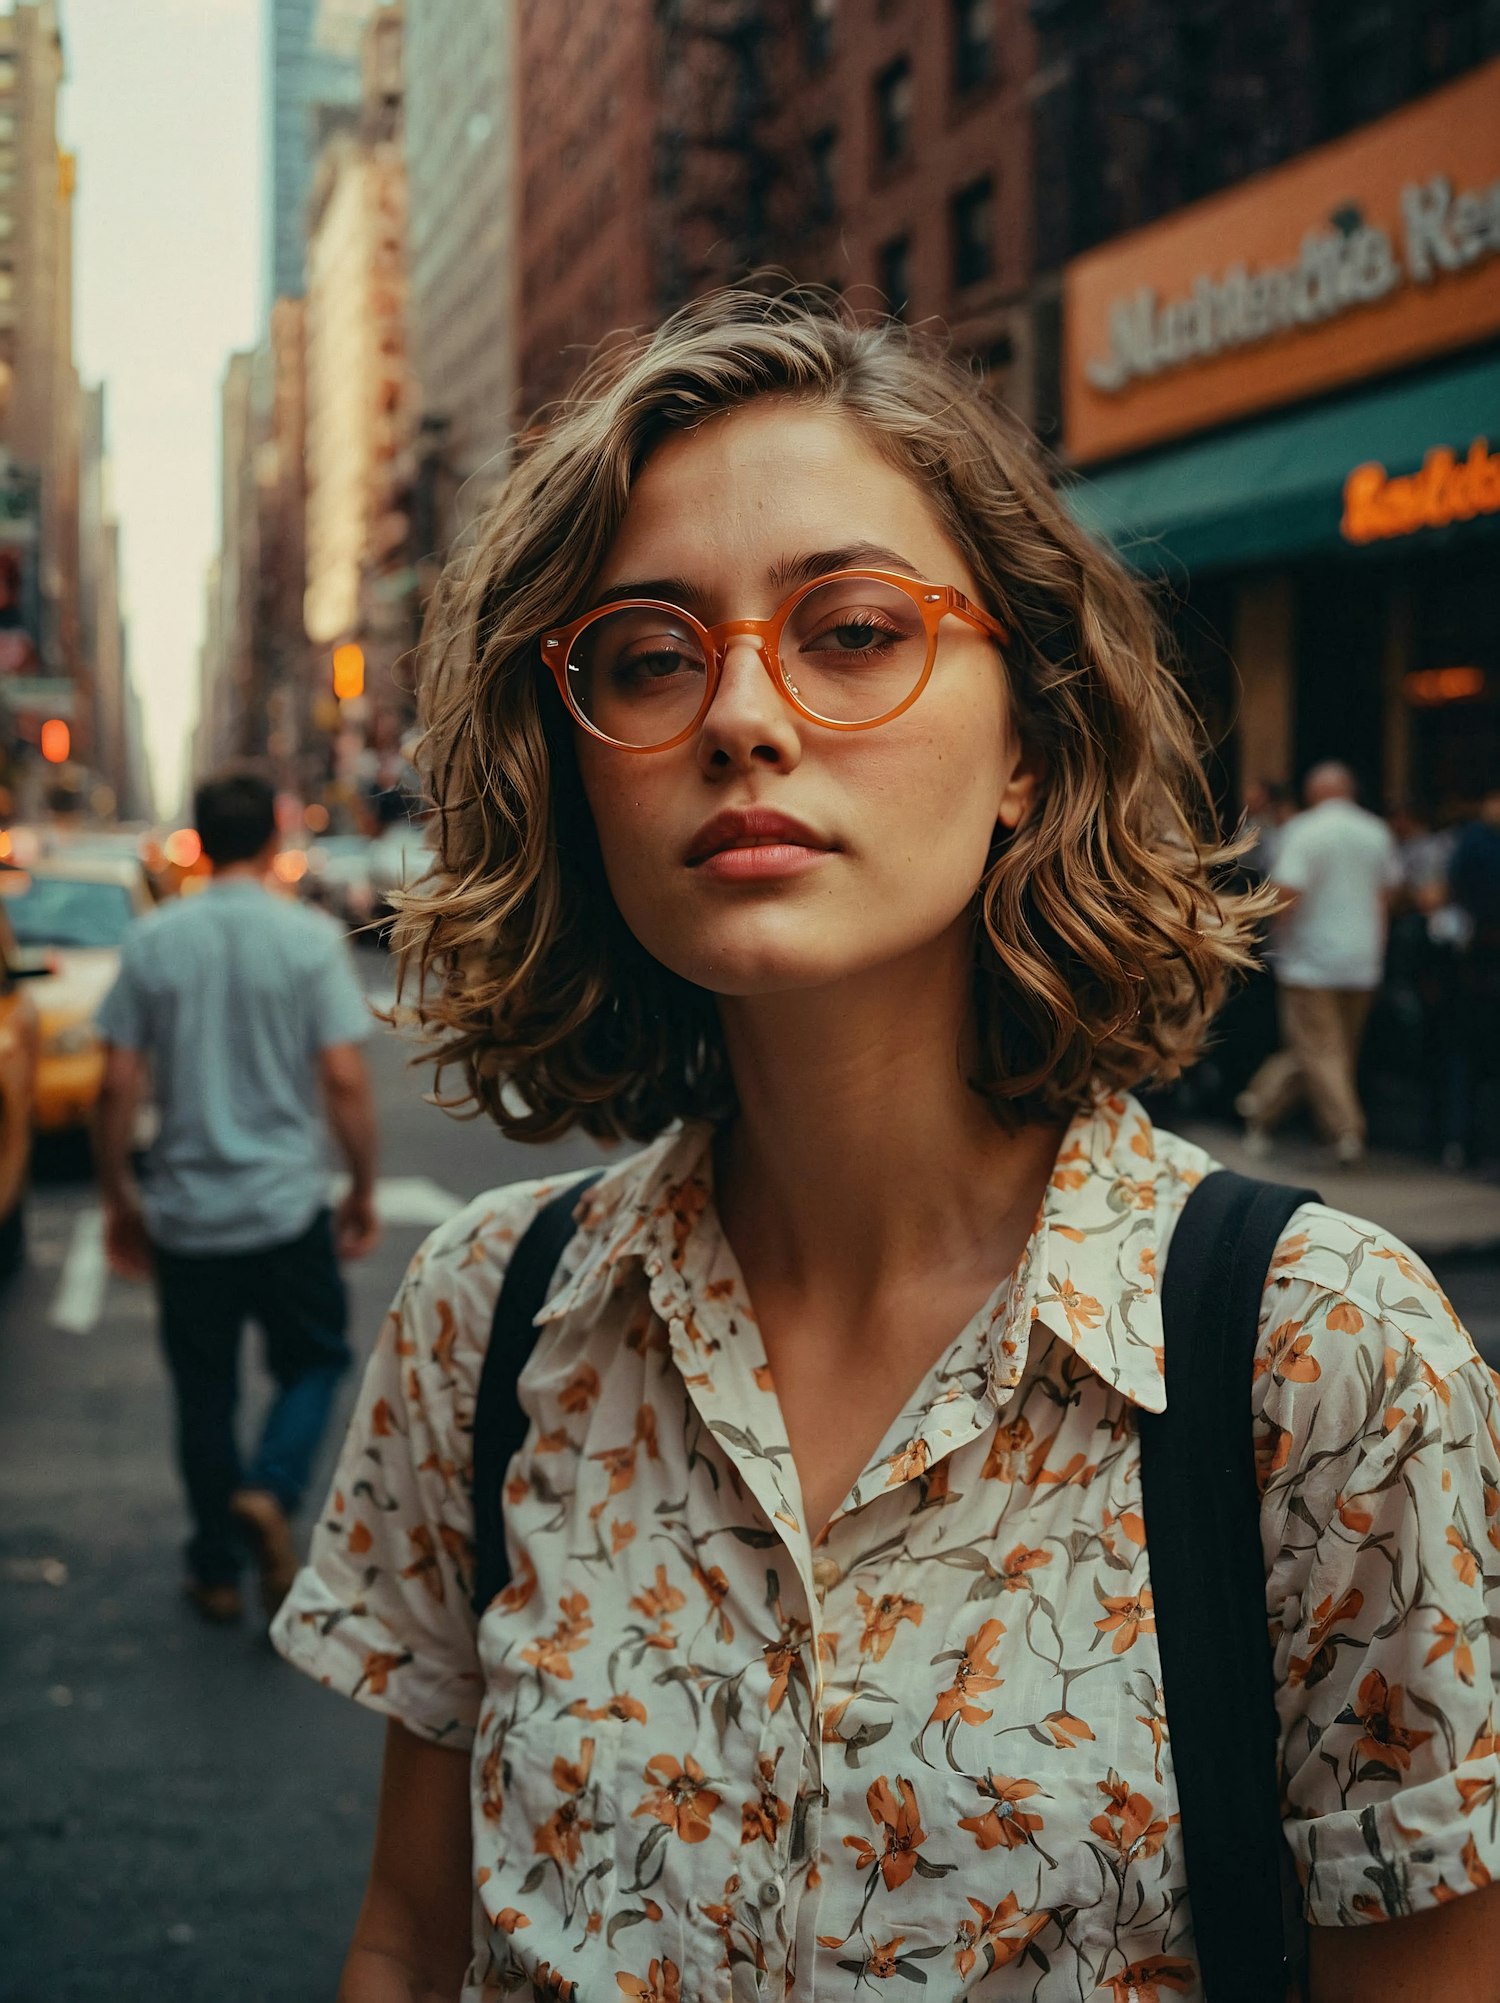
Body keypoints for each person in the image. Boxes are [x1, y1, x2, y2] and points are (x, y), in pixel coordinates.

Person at [271, 294, 1499, 2001]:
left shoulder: (1323, 1356)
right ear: (581, 773)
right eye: (647, 652)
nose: (743, 716)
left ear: (1031, 742)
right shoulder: (491, 1316)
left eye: (851, 629)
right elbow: (408, 1936)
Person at [93, 772, 381, 1625]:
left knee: (204, 1391)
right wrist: (361, 1186)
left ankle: (216, 1569)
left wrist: (118, 1197)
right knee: (318, 1358)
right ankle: (272, 1486)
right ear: (272, 838)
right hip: (287, 1205)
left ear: (203, 839)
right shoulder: (307, 938)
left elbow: (115, 1085)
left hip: (186, 1212)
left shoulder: (154, 940)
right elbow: (342, 1077)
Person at [1236, 761, 1401, 1166]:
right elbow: (1389, 895)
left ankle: (1343, 1131)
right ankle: (1261, 1108)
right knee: (1331, 1051)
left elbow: (1287, 893)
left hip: (1311, 959)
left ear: (1313, 793)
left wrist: (1258, 935)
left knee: (1320, 1052)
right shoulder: (1377, 832)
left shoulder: (1304, 830)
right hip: (1362, 958)